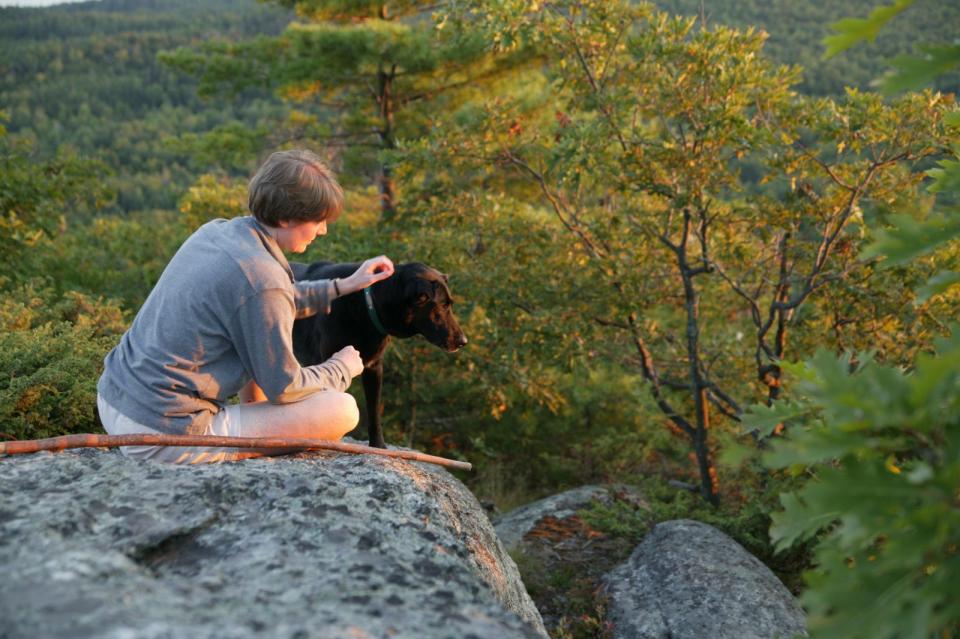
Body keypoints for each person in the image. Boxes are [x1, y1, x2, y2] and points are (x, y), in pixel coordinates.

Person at [96, 149, 394, 464]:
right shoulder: (264, 279)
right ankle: (247, 437)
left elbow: (267, 303)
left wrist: (342, 286)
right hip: (163, 434)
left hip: (116, 402)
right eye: (318, 220)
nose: (323, 230)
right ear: (285, 218)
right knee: (342, 409)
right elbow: (286, 387)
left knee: (257, 341)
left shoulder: (217, 233)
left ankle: (251, 421)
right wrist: (342, 367)